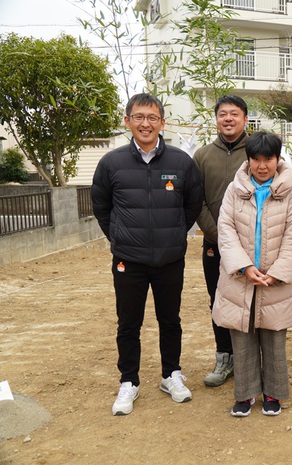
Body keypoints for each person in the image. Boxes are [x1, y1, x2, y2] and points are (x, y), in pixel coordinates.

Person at [91, 93, 203, 416]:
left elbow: (192, 204)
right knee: (129, 323)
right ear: (127, 121)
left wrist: (175, 233)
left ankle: (171, 374)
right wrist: (118, 236)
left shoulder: (181, 162)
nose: (145, 123)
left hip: (170, 259)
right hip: (129, 260)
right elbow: (101, 206)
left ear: (162, 123)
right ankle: (129, 381)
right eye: (138, 117)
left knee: (170, 319)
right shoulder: (111, 163)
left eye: (152, 117)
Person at [212, 131, 292, 417]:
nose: (262, 165)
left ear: (278, 160)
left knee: (274, 337)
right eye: (256, 159)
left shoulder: (289, 190)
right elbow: (225, 230)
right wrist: (245, 266)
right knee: (242, 335)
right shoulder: (234, 189)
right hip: (240, 276)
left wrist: (277, 272)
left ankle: (274, 394)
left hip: (277, 279)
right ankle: (245, 394)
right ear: (248, 159)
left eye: (269, 159)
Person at [193, 95, 249, 387]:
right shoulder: (202, 156)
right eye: (223, 114)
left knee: (251, 300)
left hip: (253, 245)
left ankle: (248, 360)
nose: (228, 118)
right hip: (214, 244)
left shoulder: (256, 152)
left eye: (234, 114)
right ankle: (224, 355)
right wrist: (218, 237)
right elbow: (196, 201)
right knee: (218, 300)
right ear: (216, 119)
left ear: (245, 119)